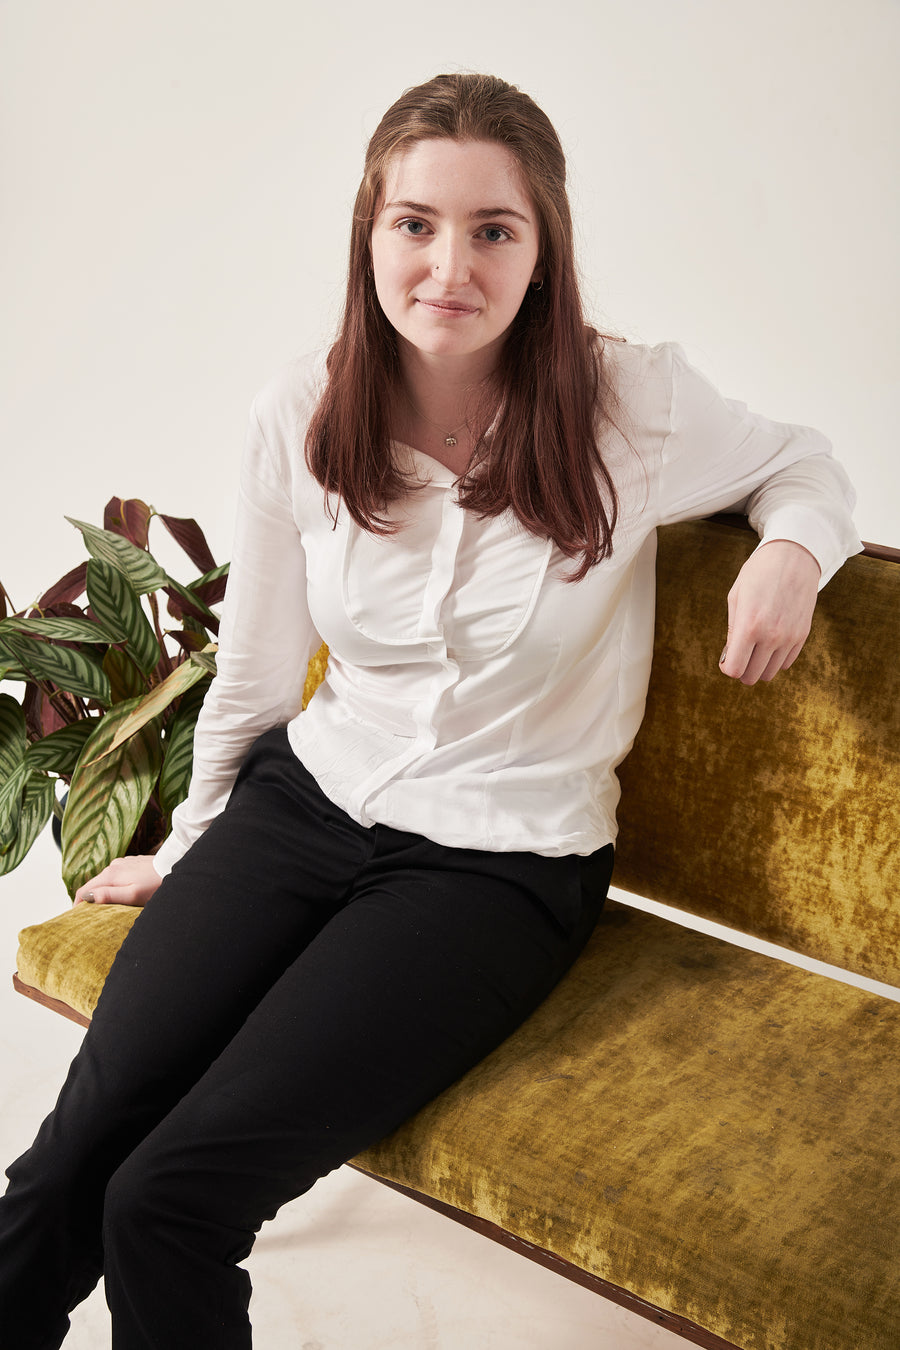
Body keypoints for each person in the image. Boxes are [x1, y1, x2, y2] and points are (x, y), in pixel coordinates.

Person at [0, 72, 860, 1349]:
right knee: (68, 1162)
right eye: (414, 223)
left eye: (492, 230)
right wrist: (191, 851)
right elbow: (254, 667)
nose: (448, 264)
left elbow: (807, 463)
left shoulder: (635, 404)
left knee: (169, 1199)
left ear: (542, 246)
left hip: (498, 868)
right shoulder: (302, 409)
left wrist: (790, 552)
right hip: (306, 804)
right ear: (369, 234)